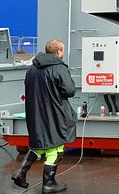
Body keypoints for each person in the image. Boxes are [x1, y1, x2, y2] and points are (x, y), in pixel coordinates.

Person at [11, 39, 76, 193]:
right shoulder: (59, 68)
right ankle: (49, 183)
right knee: (56, 148)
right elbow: (70, 90)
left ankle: (20, 173)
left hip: (36, 114)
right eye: (63, 50)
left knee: (39, 144)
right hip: (55, 113)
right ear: (59, 51)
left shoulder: (32, 69)